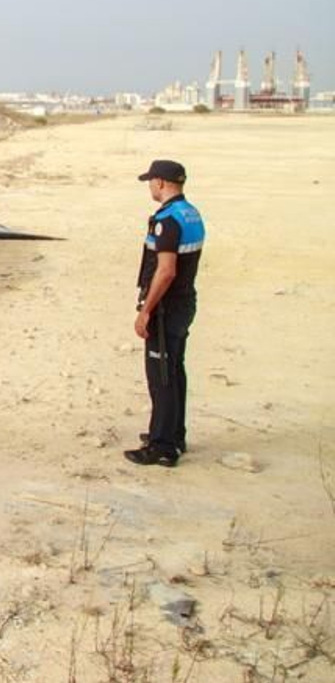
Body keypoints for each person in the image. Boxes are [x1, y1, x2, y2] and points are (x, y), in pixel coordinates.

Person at [125, 159, 205, 467]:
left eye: (150, 181)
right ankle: (174, 433)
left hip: (166, 309)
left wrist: (146, 311)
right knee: (174, 370)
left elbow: (166, 271)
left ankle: (162, 446)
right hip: (185, 302)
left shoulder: (167, 221)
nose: (149, 187)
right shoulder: (191, 213)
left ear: (160, 182)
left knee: (161, 376)